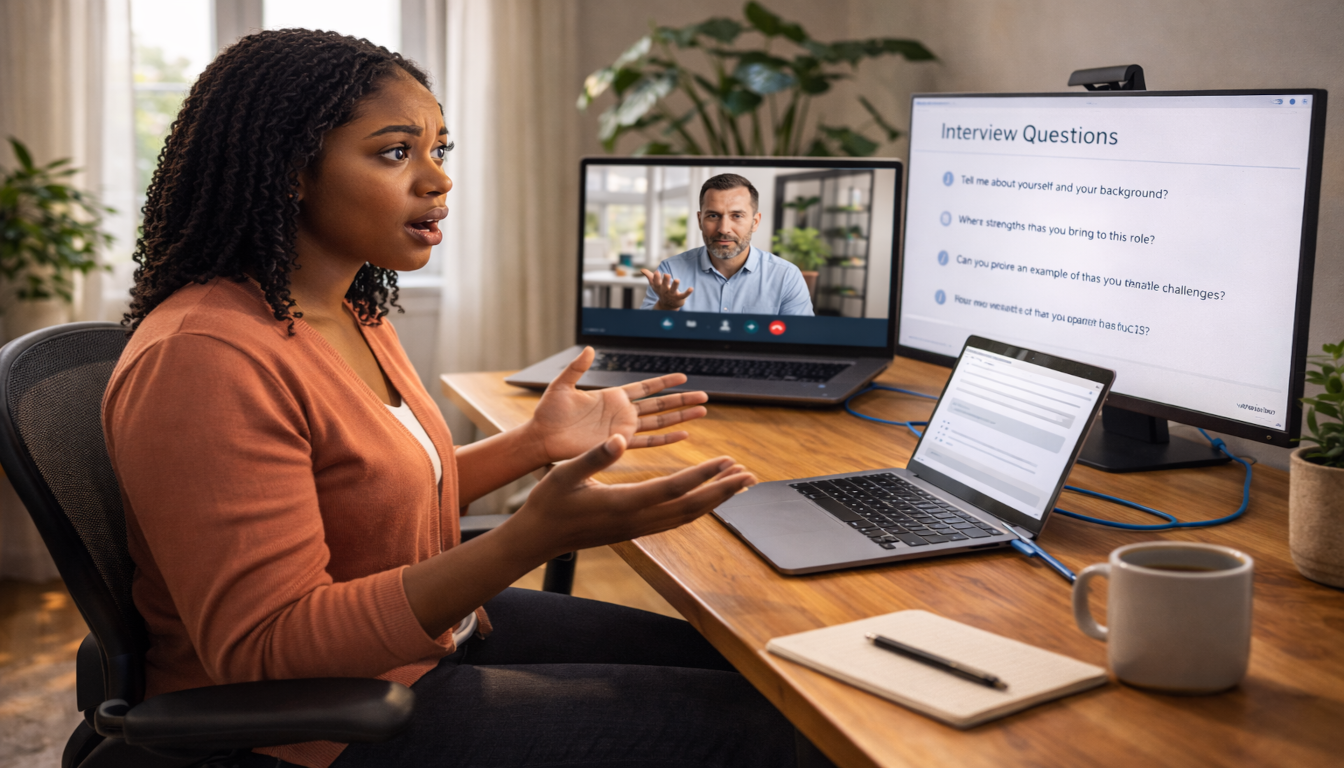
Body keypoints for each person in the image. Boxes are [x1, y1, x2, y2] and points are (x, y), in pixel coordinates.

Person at [103, 29, 829, 768]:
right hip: (322, 726)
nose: (438, 180)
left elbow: (376, 491)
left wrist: (532, 445)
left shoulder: (348, 311)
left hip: (424, 645)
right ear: (290, 169)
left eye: (438, 151)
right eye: (395, 153)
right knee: (774, 733)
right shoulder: (203, 359)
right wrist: (527, 539)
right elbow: (267, 650)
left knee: (762, 673)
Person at [640, 174, 815, 316]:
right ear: (700, 220)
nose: (724, 229)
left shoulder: (786, 276)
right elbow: (643, 340)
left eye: (737, 216)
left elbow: (801, 342)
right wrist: (665, 308)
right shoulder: (671, 271)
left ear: (755, 222)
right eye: (713, 216)